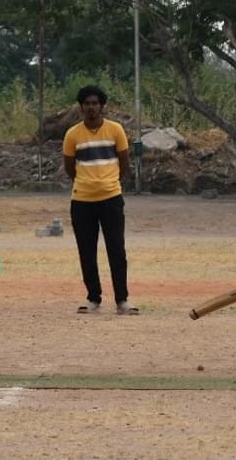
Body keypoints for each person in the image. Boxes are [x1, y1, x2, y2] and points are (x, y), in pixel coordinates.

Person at [62, 84, 138, 315]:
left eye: (95, 103)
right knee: (87, 250)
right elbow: (69, 167)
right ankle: (93, 298)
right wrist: (87, 183)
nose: (91, 108)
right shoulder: (73, 134)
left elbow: (124, 162)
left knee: (116, 249)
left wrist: (109, 181)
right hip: (82, 201)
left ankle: (122, 300)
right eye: (87, 104)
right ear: (81, 107)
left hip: (111, 198)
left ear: (102, 106)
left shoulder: (116, 130)